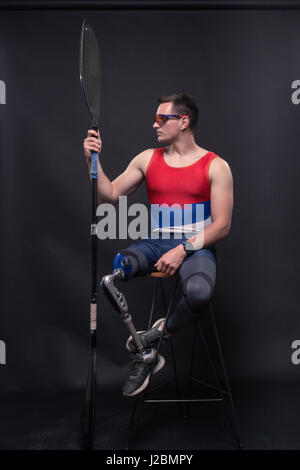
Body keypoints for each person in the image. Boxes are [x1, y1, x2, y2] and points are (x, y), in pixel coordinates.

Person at [83, 93, 233, 397]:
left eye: (161, 118)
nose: (155, 124)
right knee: (113, 277)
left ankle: (158, 334)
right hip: (156, 242)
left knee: (199, 293)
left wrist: (183, 249)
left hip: (196, 246)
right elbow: (108, 196)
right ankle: (144, 352)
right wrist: (92, 161)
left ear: (184, 121)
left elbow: (222, 226)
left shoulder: (216, 166)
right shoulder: (146, 159)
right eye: (155, 118)